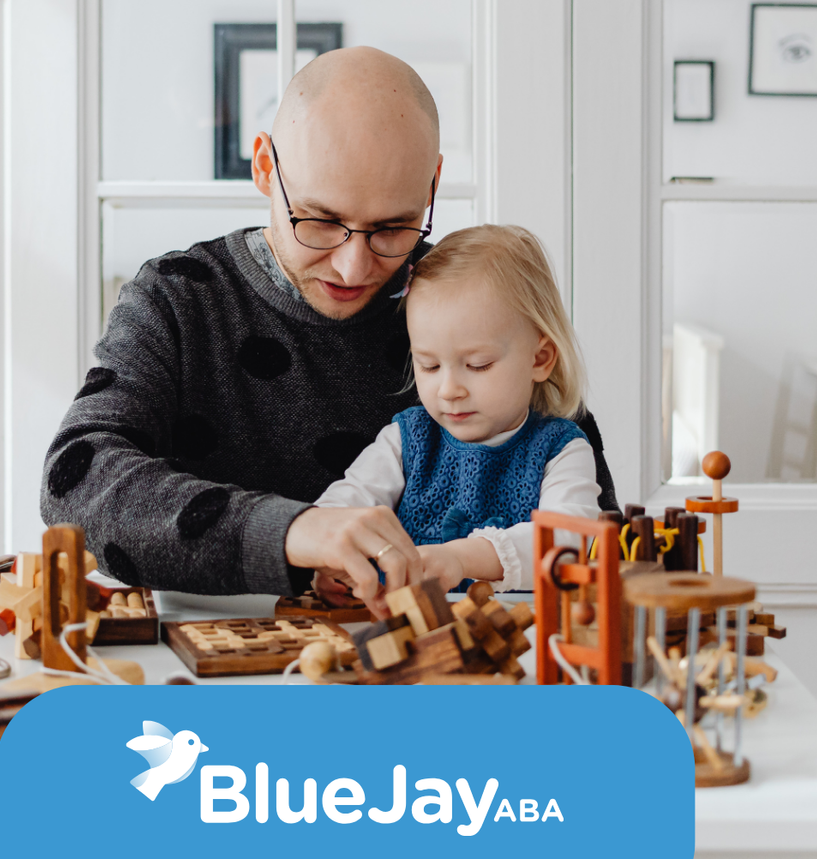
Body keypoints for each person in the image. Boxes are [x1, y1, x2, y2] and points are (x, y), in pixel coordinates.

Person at [40, 47, 614, 616]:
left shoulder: (470, 307)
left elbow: (596, 531)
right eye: (318, 220)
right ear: (265, 167)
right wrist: (295, 533)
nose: (353, 268)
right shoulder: (179, 296)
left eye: (393, 228)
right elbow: (75, 482)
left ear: (433, 184)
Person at [309, 224, 601, 592]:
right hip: (406, 634)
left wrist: (463, 558)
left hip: (521, 639)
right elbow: (349, 502)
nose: (448, 390)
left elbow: (567, 542)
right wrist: (331, 555)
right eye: (429, 366)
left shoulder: (561, 450)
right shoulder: (406, 440)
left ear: (539, 358)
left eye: (477, 365)